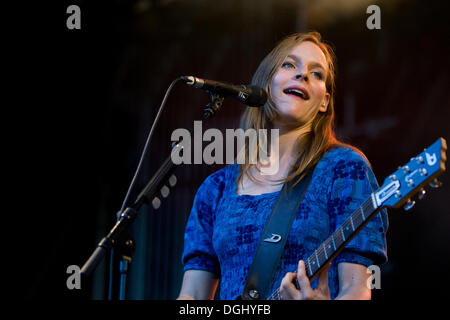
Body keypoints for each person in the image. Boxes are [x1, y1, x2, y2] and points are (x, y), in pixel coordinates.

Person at [177, 31, 388, 300]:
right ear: (265, 83)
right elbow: (191, 296)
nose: (303, 75)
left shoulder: (344, 169)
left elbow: (357, 290)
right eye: (289, 64)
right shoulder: (216, 189)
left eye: (317, 74)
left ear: (324, 101)